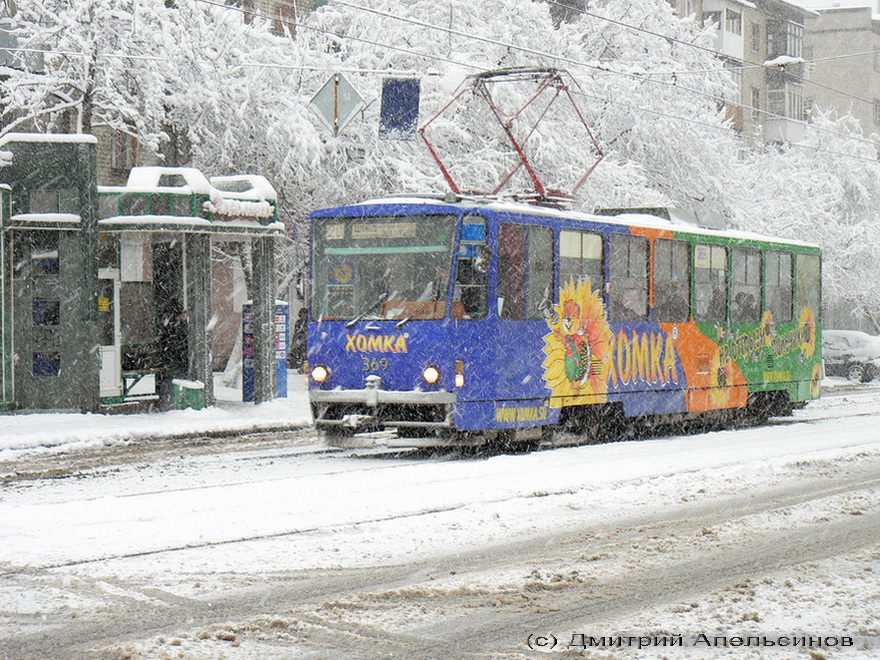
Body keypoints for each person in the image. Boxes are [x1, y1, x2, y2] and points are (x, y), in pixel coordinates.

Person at [157, 302, 188, 408]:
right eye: (183, 314)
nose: (185, 316)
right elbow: (178, 342)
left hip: (173, 358)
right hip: (176, 358)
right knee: (175, 379)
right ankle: (174, 399)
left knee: (171, 378)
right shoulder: (176, 327)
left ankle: (169, 399)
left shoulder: (170, 325)